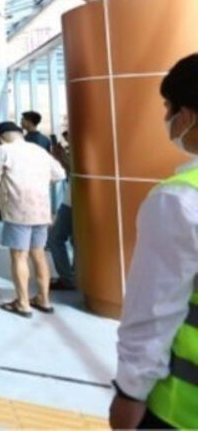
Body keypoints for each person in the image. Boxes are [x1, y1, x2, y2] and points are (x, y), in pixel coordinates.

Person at [110, 54, 198, 430]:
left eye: (168, 107)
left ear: (187, 115)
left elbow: (155, 312)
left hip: (181, 410)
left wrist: (130, 393)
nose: (166, 118)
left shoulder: (179, 199)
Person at [0, 121, 66, 318]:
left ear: (2, 138)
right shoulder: (39, 151)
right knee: (39, 255)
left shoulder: (4, 150)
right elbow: (60, 174)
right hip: (41, 210)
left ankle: (23, 303)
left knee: (19, 256)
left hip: (17, 210)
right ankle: (44, 300)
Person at [47, 132, 75, 291]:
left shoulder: (79, 152)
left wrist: (60, 157)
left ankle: (67, 278)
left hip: (71, 202)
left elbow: (73, 172)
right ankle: (74, 275)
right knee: (75, 240)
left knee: (55, 239)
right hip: (74, 201)